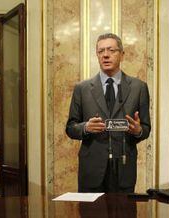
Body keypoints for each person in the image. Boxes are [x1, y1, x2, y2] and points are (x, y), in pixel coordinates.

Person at [66, 33, 151, 193]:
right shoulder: (82, 89)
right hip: (91, 171)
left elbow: (146, 128)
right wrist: (86, 127)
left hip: (124, 170)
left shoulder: (138, 87)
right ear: (97, 55)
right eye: (101, 51)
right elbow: (70, 128)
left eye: (111, 50)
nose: (105, 55)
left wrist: (138, 131)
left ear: (122, 54)